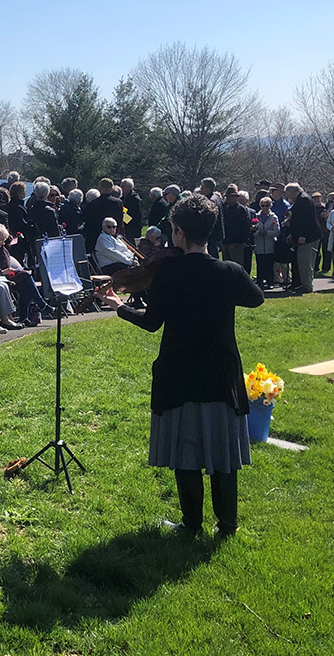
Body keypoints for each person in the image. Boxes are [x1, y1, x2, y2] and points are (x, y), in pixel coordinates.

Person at [96, 193, 264, 536]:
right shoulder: (229, 271)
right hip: (220, 371)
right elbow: (255, 298)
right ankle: (227, 526)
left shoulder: (169, 276)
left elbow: (151, 322)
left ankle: (191, 525)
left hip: (180, 370)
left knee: (186, 452)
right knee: (223, 455)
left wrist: (117, 304)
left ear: (180, 234)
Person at [0, 223, 51, 326]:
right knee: (26, 276)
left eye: (3, 240)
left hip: (9, 275)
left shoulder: (2, 248)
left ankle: (24, 317)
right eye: (0, 240)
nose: (2, 242)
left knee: (25, 286)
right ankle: (41, 305)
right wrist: (3, 271)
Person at [284, 183, 321, 294]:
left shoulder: (304, 200)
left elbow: (307, 220)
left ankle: (307, 285)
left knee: (305, 261)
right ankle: (301, 283)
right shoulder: (300, 200)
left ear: (293, 192)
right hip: (300, 235)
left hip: (308, 237)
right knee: (300, 260)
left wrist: (303, 235)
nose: (288, 196)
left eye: (288, 193)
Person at [83, 179, 125, 255]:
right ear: (111, 190)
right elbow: (120, 220)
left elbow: (88, 222)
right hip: (112, 237)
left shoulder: (92, 204)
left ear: (100, 189)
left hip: (95, 238)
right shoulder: (118, 203)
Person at [221, 190, 253, 273]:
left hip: (237, 242)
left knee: (237, 265)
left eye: (230, 196)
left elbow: (246, 226)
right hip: (225, 241)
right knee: (226, 265)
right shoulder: (224, 208)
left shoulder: (241, 209)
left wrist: (244, 241)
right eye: (226, 196)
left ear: (235, 197)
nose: (227, 198)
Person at [253, 196, 279, 288]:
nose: (264, 208)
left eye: (267, 205)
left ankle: (270, 282)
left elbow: (276, 231)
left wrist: (267, 232)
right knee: (260, 264)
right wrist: (258, 233)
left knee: (269, 264)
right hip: (259, 244)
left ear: (270, 206)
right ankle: (260, 282)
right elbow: (252, 231)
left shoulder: (274, 217)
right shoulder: (255, 217)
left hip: (269, 244)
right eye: (263, 205)